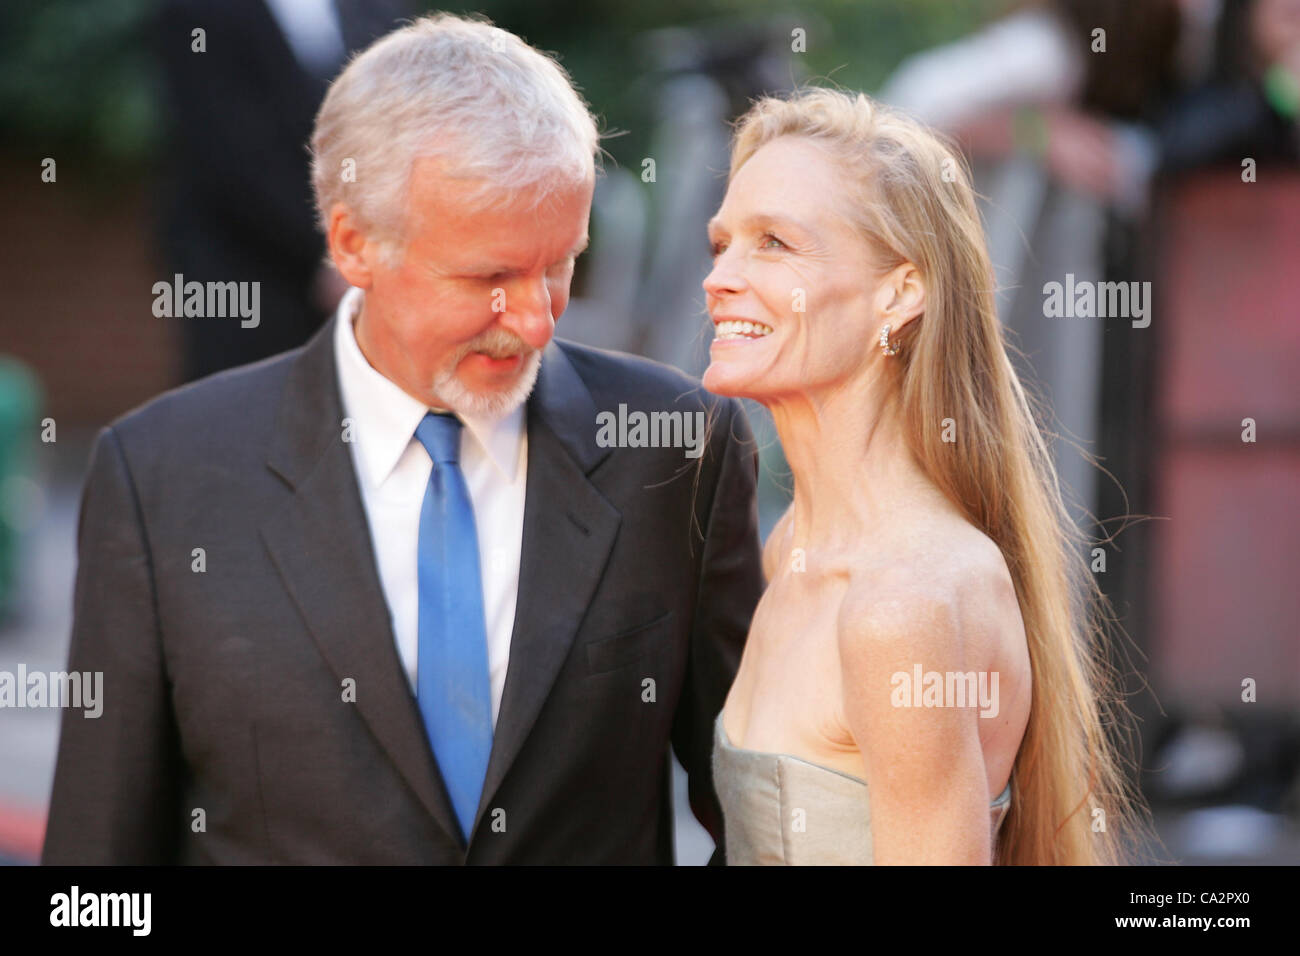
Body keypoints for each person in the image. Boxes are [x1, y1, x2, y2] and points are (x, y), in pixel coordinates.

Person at [42, 14, 764, 865]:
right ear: (354, 244)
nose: (535, 321)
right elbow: (96, 873)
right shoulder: (159, 477)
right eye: (490, 277)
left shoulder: (676, 448)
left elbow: (754, 813)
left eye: (560, 263)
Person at [704, 89, 1146, 865]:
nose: (721, 278)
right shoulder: (795, 547)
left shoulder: (898, 608)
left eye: (773, 243)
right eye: (723, 243)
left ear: (900, 294)